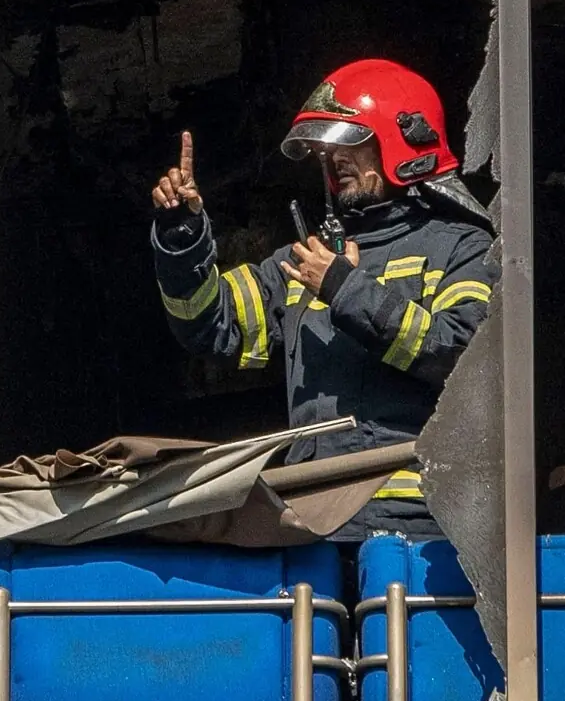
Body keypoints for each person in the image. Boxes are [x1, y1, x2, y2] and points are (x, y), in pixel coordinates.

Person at [149, 58, 498, 541]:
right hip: (315, 522)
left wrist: (343, 288)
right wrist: (182, 235)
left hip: (421, 533)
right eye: (324, 149)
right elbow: (210, 324)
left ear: (402, 142)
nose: (332, 159)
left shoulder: (461, 248)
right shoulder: (305, 260)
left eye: (348, 143)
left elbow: (462, 358)